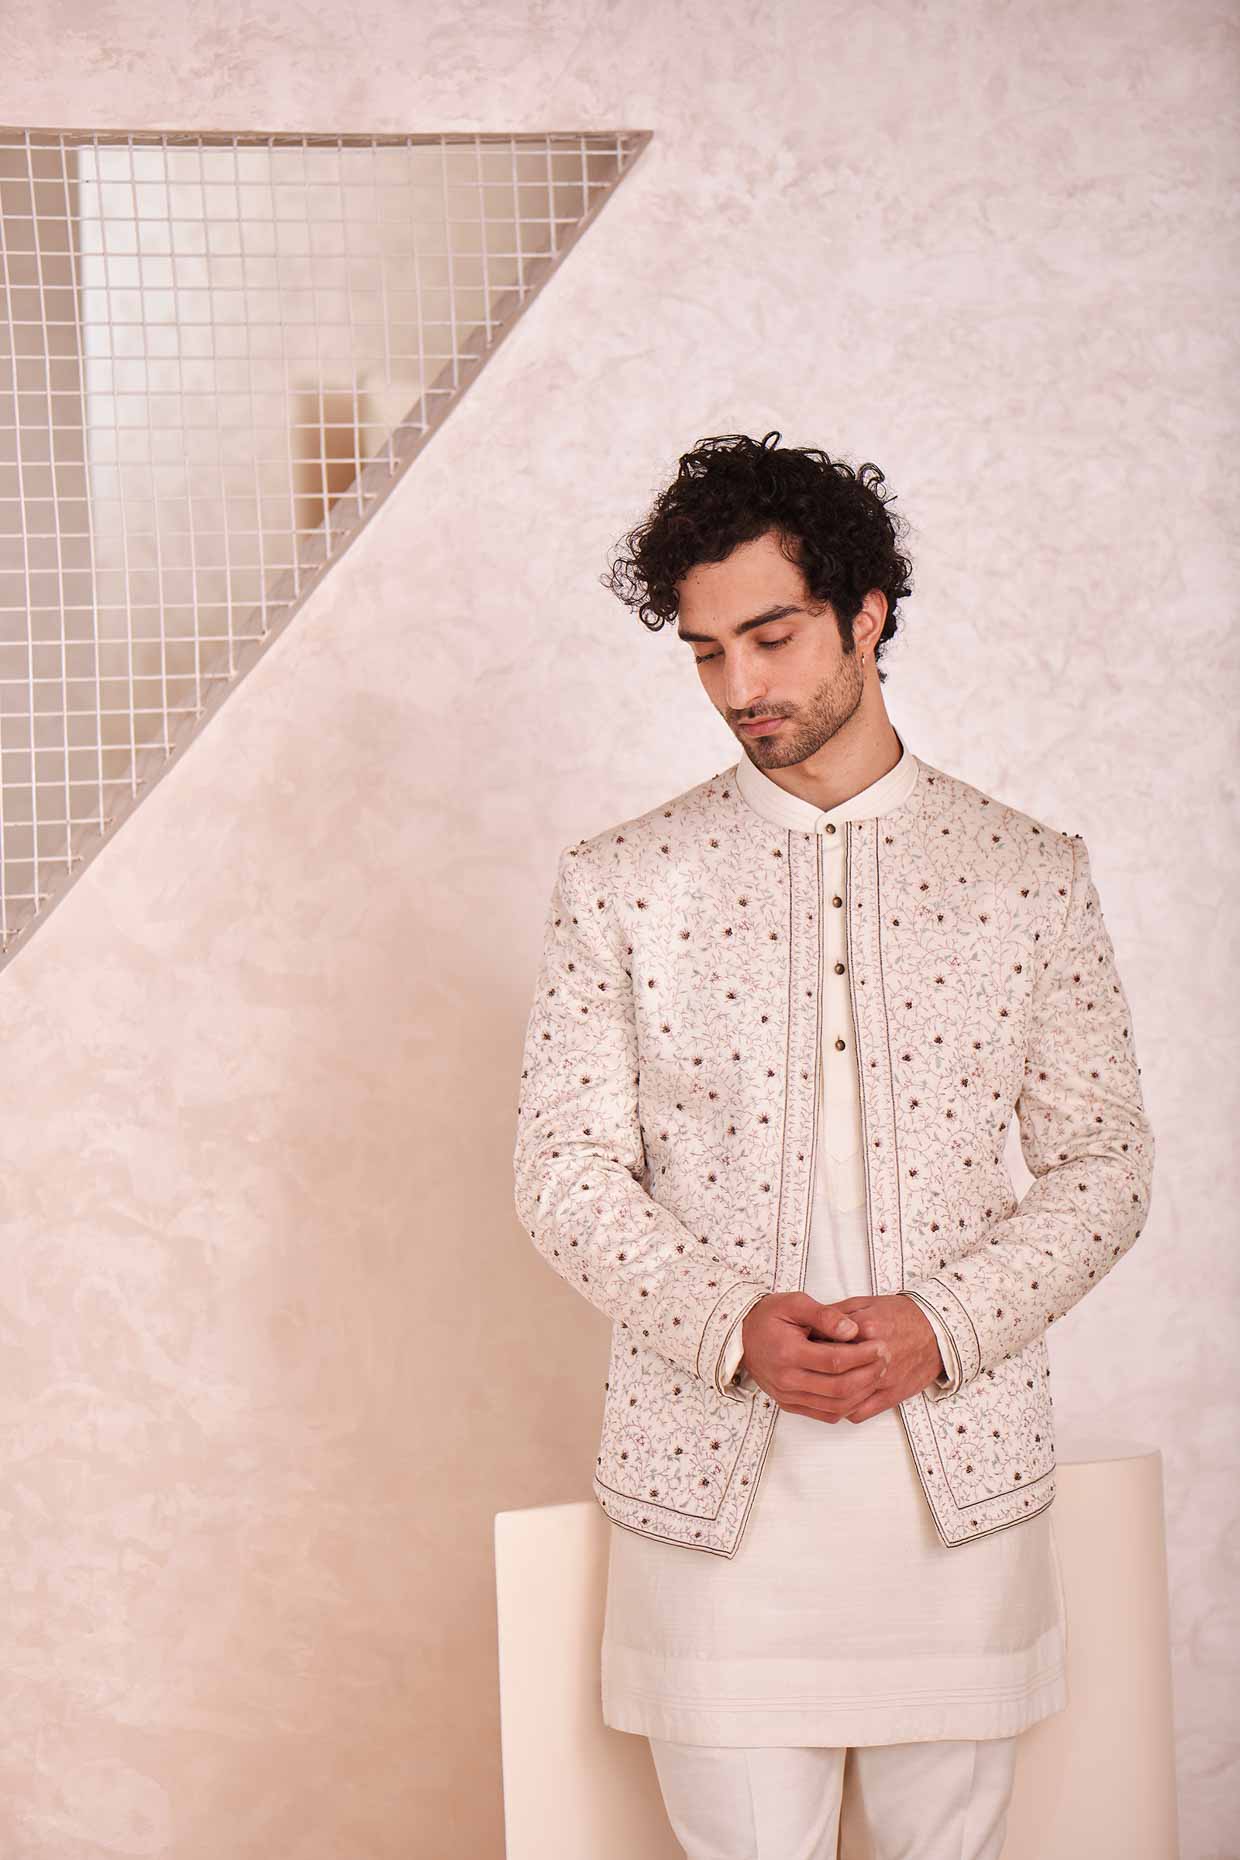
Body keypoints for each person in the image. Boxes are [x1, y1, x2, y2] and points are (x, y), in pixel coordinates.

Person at [512, 431, 1155, 1859]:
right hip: (710, 1503)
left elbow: (1107, 1163)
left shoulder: (1027, 874)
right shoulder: (623, 884)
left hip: (957, 1496)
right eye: (704, 652)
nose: (740, 687)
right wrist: (729, 1322)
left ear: (867, 615)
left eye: (773, 636)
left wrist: (946, 1323)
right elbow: (561, 1172)